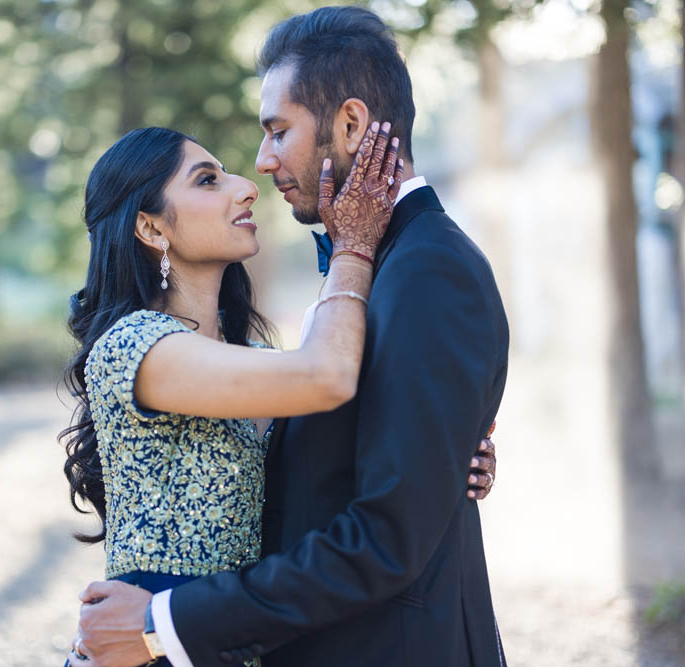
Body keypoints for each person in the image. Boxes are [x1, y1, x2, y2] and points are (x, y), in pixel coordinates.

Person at [72, 6, 509, 667]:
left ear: (351, 124)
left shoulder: (428, 270)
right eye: (208, 177)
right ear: (151, 229)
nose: (259, 165)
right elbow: (328, 405)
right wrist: (351, 251)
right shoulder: (147, 345)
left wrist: (448, 463)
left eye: (277, 131)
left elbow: (385, 522)